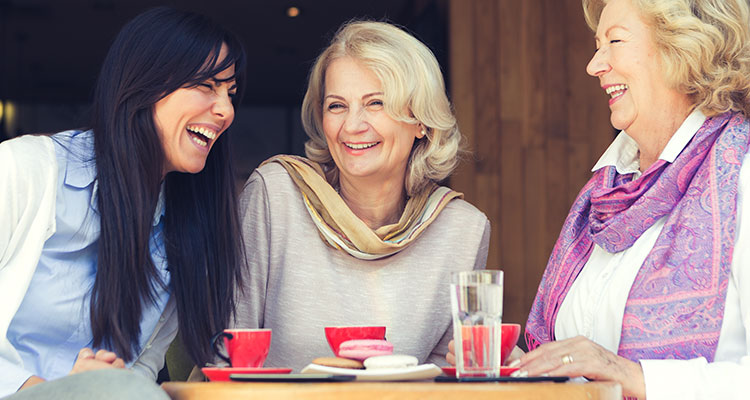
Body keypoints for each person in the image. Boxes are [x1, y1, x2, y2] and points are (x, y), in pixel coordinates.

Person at [0, 7, 246, 398]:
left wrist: (102, 382)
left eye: (230, 93)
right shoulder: (25, 169)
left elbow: (142, 367)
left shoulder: (182, 228)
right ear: (144, 83)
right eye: (207, 85)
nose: (226, 110)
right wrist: (55, 390)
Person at [512, 0, 750, 398]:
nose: (594, 65)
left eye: (615, 41)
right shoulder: (604, 192)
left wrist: (633, 376)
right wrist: (514, 371)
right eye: (596, 44)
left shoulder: (740, 175)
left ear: (686, 49)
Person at [233, 20, 490, 372]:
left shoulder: (463, 230)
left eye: (376, 103)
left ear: (421, 122)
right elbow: (228, 348)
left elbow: (444, 376)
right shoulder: (275, 195)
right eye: (337, 106)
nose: (352, 126)